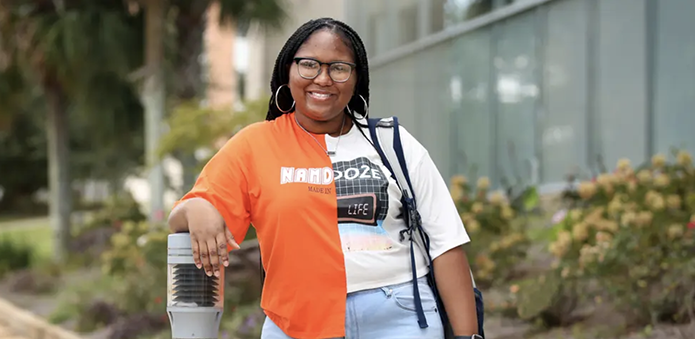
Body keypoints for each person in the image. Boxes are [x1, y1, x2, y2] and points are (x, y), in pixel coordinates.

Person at [168, 17, 480, 339]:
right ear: (287, 71)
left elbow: (446, 244)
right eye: (309, 65)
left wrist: (469, 336)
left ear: (356, 78)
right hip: (294, 322)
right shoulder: (255, 145)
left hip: (400, 317)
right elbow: (182, 217)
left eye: (339, 68)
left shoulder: (393, 142)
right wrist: (197, 210)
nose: (323, 78)